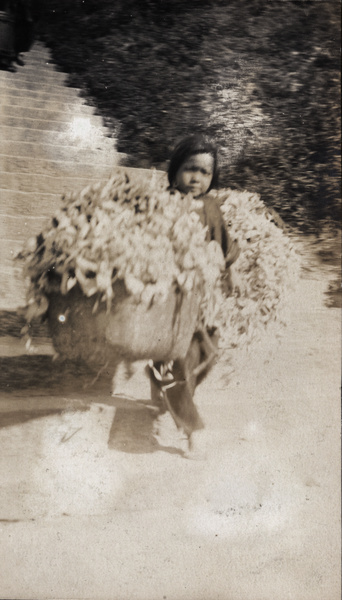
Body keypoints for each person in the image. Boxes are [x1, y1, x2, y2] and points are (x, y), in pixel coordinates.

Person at [148, 134, 240, 457]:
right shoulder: (163, 203)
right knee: (178, 362)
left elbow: (226, 247)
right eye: (190, 169)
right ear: (175, 171)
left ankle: (161, 390)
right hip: (171, 298)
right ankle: (191, 430)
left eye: (205, 173)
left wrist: (227, 270)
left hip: (204, 300)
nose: (196, 178)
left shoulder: (211, 207)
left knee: (207, 355)